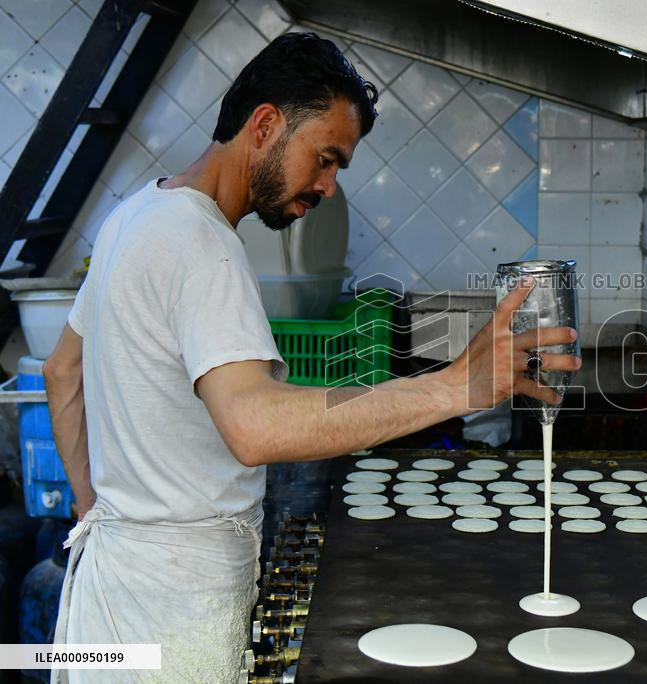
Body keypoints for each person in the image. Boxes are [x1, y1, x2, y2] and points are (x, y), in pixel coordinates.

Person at [41, 32, 579, 683]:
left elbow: (61, 372)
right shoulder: (200, 243)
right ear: (265, 125)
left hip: (117, 584)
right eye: (325, 159)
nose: (327, 187)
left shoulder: (134, 217)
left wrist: (93, 504)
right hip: (176, 611)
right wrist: (455, 388)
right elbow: (255, 427)